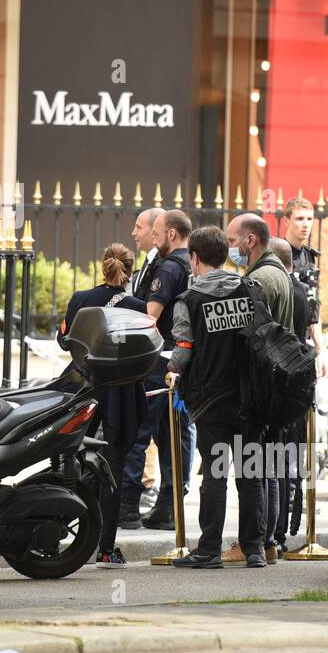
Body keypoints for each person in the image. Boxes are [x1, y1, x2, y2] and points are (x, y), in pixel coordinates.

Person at [168, 226, 267, 569]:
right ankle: (254, 550)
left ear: (194, 258)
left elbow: (183, 350)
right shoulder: (249, 289)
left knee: (215, 474)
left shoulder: (189, 301)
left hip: (210, 401)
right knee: (250, 474)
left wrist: (169, 369)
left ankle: (209, 549)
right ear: (225, 255)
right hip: (249, 398)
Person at [58, 244, 147, 568]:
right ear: (130, 270)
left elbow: (64, 339)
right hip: (120, 396)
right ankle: (106, 548)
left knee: (67, 459)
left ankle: (56, 536)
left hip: (81, 389)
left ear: (102, 266)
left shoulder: (80, 299)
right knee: (113, 470)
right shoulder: (137, 307)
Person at [220, 213, 294, 565]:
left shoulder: (259, 279)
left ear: (250, 241)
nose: (229, 247)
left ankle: (255, 542)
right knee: (269, 467)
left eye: (233, 241)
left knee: (254, 469)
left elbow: (248, 334)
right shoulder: (277, 273)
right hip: (277, 381)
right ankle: (269, 543)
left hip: (259, 383)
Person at [141, 209, 196, 530]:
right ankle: (171, 499)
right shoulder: (195, 264)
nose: (153, 238)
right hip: (184, 358)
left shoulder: (170, 267)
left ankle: (165, 500)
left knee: (154, 429)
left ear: (172, 234)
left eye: (158, 232)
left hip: (163, 359)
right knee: (175, 432)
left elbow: (150, 316)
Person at [120, 207, 165, 528]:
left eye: (139, 227)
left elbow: (147, 318)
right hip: (146, 362)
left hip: (157, 364)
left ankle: (131, 504)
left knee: (145, 433)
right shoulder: (150, 264)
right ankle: (137, 504)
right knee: (144, 433)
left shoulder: (167, 267)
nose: (133, 233)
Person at [267, 236, 309, 559]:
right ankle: (279, 533)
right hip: (295, 380)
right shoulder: (300, 291)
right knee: (283, 460)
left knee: (276, 462)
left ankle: (275, 533)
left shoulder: (282, 289)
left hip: (280, 379)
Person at [283, 196, 328, 377]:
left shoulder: (309, 257)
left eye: (309, 219)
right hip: (281, 341)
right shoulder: (276, 253)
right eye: (300, 218)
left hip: (303, 342)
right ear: (286, 220)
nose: (306, 224)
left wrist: (321, 351)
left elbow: (313, 306)